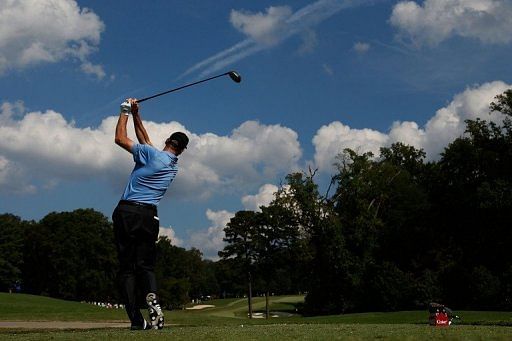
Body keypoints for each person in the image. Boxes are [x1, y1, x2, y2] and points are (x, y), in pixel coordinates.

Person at [112, 98, 188, 330]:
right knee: (145, 267)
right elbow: (144, 139)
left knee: (127, 268)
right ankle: (152, 296)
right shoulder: (171, 164)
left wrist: (124, 111)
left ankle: (136, 319)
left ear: (167, 141)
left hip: (127, 212)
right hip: (149, 217)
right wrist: (137, 115)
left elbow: (120, 139)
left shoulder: (150, 155)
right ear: (182, 150)